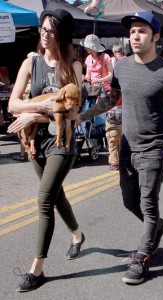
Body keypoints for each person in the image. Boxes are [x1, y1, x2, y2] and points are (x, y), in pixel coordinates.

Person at [76, 11, 163, 284]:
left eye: (142, 31)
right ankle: (158, 227)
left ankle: (142, 257)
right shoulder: (122, 67)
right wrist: (80, 117)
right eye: (132, 31)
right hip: (127, 148)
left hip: (153, 149)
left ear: (156, 37)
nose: (135, 36)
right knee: (129, 201)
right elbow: (111, 101)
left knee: (149, 205)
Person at [7, 9, 84, 292]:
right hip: (36, 142)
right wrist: (39, 110)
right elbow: (14, 105)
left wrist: (32, 115)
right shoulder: (31, 61)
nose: (44, 33)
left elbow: (73, 113)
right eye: (43, 28)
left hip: (62, 142)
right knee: (55, 194)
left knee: (43, 200)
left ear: (61, 35)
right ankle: (77, 235)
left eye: (51, 30)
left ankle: (36, 269)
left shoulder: (74, 67)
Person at [80, 34, 113, 149]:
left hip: (104, 89)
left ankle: (107, 139)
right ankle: (96, 141)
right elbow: (89, 76)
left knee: (102, 115)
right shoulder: (88, 58)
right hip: (93, 90)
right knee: (92, 114)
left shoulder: (105, 57)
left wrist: (100, 80)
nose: (86, 49)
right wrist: (83, 77)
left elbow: (111, 75)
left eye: (87, 47)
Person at [105, 44, 125, 170]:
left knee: (112, 137)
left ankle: (114, 162)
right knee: (121, 138)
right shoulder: (127, 64)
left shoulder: (115, 65)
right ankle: (120, 161)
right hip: (124, 110)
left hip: (114, 110)